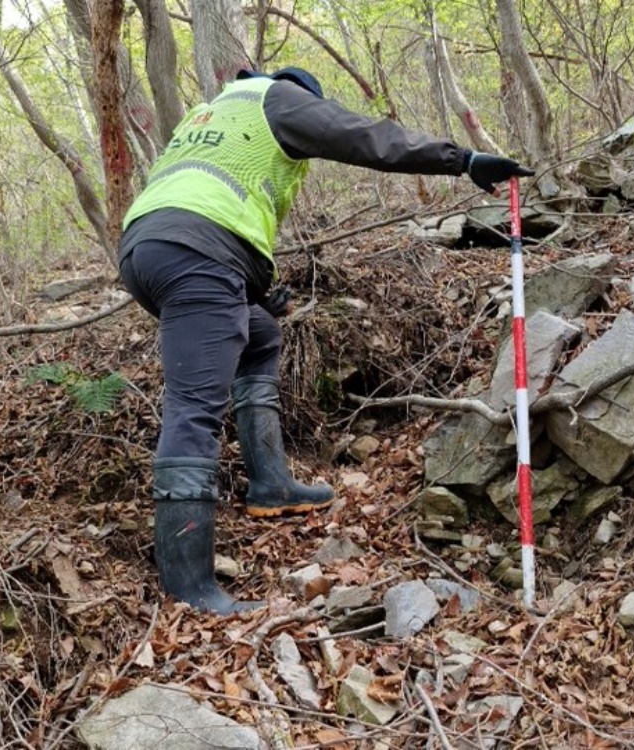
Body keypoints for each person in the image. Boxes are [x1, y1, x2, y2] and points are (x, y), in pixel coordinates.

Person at [118, 66, 534, 614]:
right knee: (193, 406)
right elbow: (366, 137)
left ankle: (270, 484)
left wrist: (254, 296)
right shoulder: (280, 99)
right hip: (197, 253)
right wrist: (461, 160)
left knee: (260, 334)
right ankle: (190, 587)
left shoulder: (214, 111)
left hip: (148, 247)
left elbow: (209, 204)